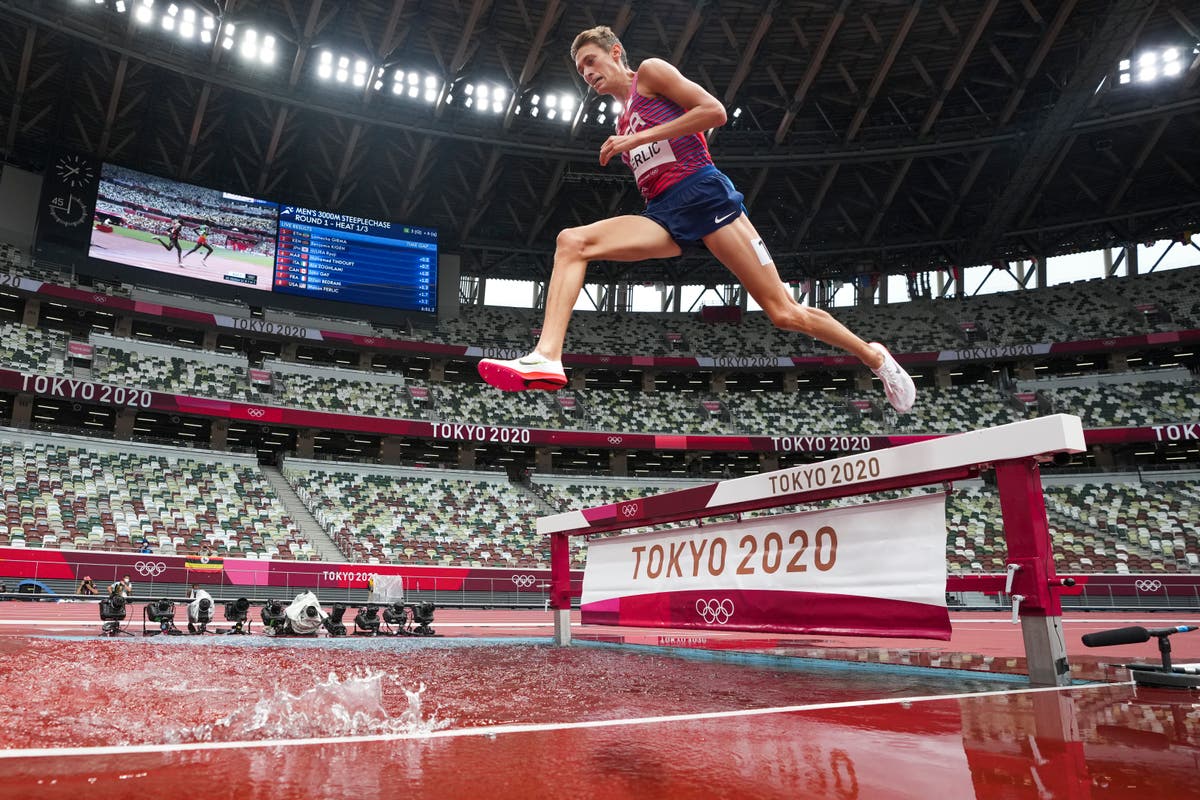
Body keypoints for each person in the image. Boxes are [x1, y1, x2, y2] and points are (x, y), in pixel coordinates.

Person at [478, 26, 915, 414]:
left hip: (706, 197)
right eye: (580, 69)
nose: (587, 73)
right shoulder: (618, 118)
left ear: (615, 53)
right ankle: (548, 355)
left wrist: (640, 136)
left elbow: (713, 112)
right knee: (572, 241)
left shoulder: (648, 74)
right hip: (665, 213)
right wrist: (638, 145)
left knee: (783, 312)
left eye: (590, 61)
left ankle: (874, 356)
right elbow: (663, 158)